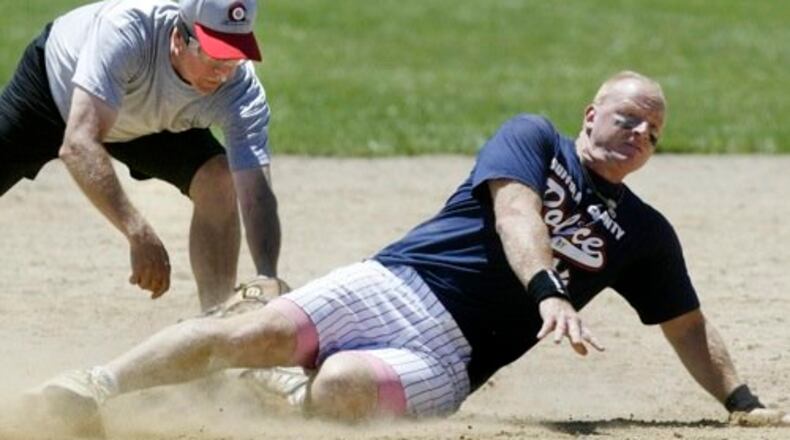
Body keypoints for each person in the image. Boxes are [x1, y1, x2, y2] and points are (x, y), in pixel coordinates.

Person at [32, 71, 788, 436]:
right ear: (593, 115)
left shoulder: (644, 234)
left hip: (453, 360)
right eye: (629, 119)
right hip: (395, 282)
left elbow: (687, 325)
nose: (640, 138)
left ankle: (285, 395)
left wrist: (741, 401)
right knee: (250, 332)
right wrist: (548, 290)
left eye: (654, 134)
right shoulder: (532, 139)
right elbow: (516, 212)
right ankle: (91, 386)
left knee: (342, 390)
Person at [0, 0, 282, 311]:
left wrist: (266, 273)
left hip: (149, 120)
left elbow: (256, 192)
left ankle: (214, 325)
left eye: (234, 58)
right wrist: (138, 233)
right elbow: (79, 144)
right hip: (55, 93)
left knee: (219, 180)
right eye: (214, 56)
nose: (223, 74)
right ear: (178, 38)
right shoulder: (127, 31)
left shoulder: (239, 87)